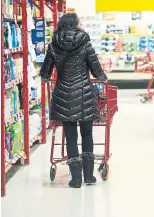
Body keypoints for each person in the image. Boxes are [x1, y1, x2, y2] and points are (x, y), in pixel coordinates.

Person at [40, 13, 107, 188]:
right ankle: (89, 176)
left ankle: (75, 179)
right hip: (84, 93)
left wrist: (46, 77)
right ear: (75, 24)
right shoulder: (85, 42)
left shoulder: (54, 44)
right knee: (87, 134)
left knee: (70, 136)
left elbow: (45, 72)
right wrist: (102, 78)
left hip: (63, 95)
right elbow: (95, 67)